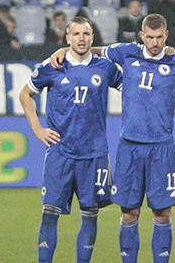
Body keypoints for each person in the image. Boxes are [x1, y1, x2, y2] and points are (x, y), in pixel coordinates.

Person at [48, 15, 175, 262]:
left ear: (166, 35)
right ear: (142, 35)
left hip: (161, 147)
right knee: (128, 214)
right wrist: (64, 48)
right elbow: (93, 50)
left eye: (159, 37)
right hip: (129, 148)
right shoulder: (126, 52)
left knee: (162, 213)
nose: (154, 43)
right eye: (149, 37)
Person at [21, 17, 122, 263]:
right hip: (61, 153)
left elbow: (134, 84)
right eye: (76, 34)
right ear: (67, 38)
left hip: (95, 153)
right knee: (49, 214)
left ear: (92, 38)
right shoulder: (52, 66)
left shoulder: (106, 67)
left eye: (86, 34)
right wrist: (37, 129)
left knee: (90, 214)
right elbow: (26, 94)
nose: (81, 38)